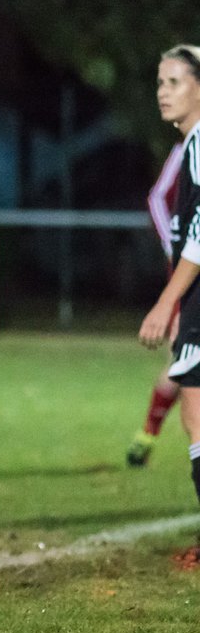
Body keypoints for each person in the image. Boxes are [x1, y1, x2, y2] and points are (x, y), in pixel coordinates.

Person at [140, 44, 200, 562]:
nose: (163, 91)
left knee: (198, 415)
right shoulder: (188, 146)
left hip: (194, 292)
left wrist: (166, 300)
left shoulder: (198, 147)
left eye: (175, 81)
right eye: (160, 82)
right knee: (196, 417)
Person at [126, 141, 185, 466]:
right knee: (183, 358)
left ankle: (147, 434)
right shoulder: (188, 148)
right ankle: (147, 433)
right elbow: (158, 199)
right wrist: (171, 245)